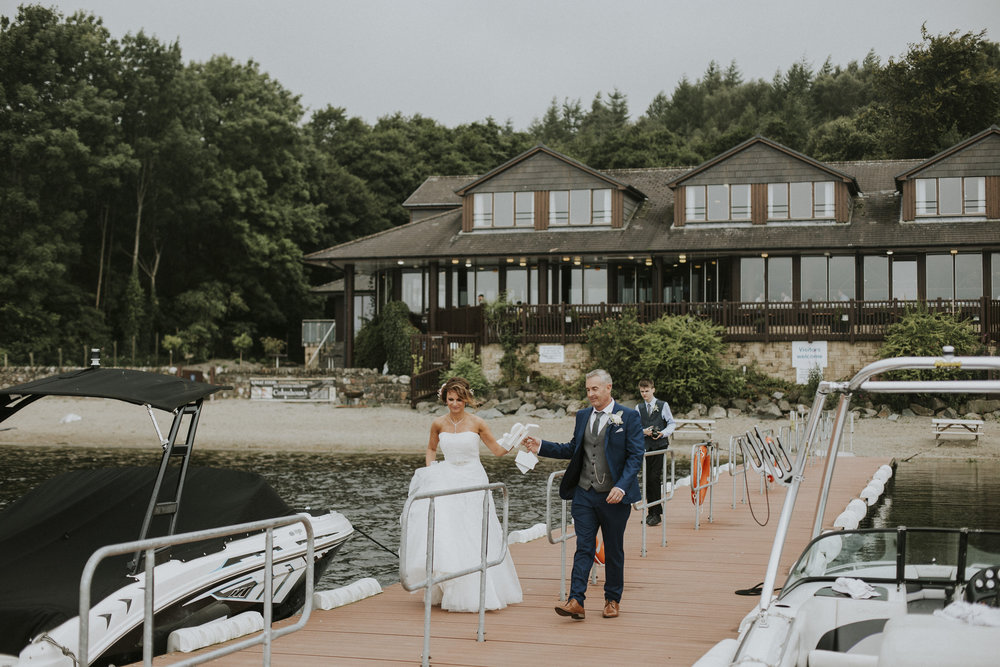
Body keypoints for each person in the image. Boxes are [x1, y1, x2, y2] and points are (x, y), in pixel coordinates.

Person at [523, 369, 644, 620]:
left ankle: (612, 599)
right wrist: (541, 446)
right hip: (584, 494)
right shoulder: (582, 416)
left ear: (608, 388)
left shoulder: (629, 416)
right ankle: (576, 600)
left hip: (614, 496)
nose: (590, 394)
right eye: (588, 389)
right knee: (583, 547)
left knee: (613, 549)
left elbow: (635, 456)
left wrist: (621, 486)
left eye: (595, 389)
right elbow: (573, 449)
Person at [400, 376, 522, 612]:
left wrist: (514, 441)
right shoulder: (438, 423)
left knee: (475, 530)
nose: (454, 404)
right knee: (448, 530)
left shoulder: (477, 423)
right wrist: (431, 470)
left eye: (459, 399)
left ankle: (481, 589)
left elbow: (496, 451)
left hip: (473, 478)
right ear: (444, 399)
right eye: (450, 399)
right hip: (446, 478)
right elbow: (431, 449)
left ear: (467, 399)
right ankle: (448, 585)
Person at [637, 379, 676, 526]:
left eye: (647, 391)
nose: (644, 394)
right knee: (648, 479)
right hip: (646, 447)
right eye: (642, 391)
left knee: (654, 477)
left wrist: (663, 433)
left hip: (660, 445)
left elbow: (672, 423)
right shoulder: (638, 407)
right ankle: (651, 512)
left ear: (653, 390)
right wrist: (644, 431)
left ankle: (656, 513)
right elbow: (635, 427)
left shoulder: (662, 405)